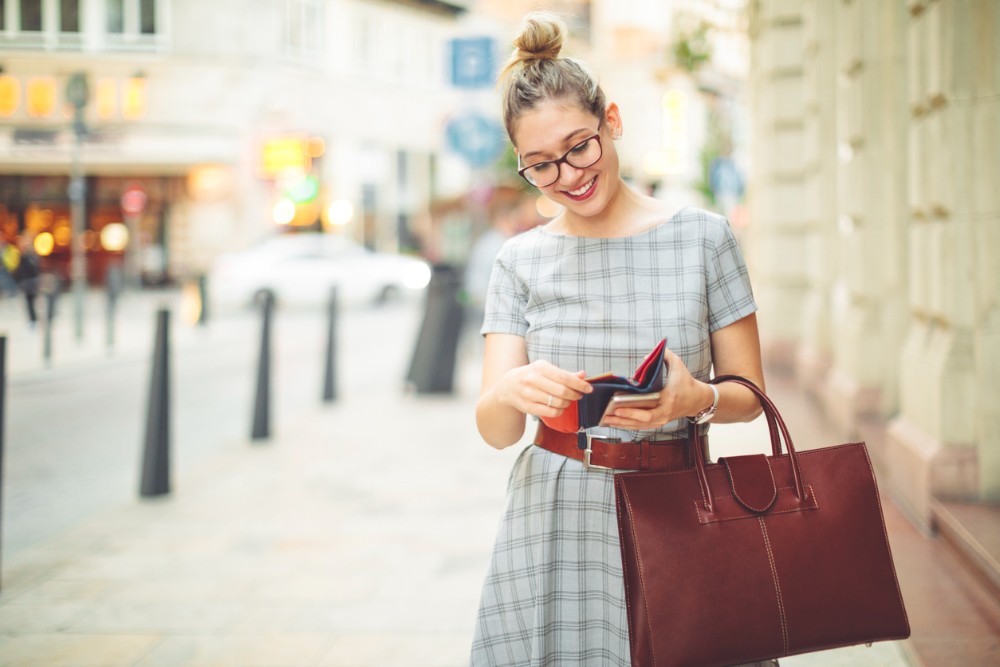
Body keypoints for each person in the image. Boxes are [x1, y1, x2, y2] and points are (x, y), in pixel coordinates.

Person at [471, 13, 768, 667]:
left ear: (613, 119)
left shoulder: (704, 238)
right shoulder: (518, 261)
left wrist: (697, 397)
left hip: (680, 504)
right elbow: (495, 429)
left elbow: (749, 394)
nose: (569, 175)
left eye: (580, 146)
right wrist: (511, 390)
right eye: (540, 165)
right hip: (555, 516)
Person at [12, 235, 41, 329]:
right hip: (28, 282)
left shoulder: (29, 256)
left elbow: (29, 270)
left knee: (30, 303)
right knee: (30, 303)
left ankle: (33, 320)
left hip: (30, 282)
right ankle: (33, 320)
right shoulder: (27, 256)